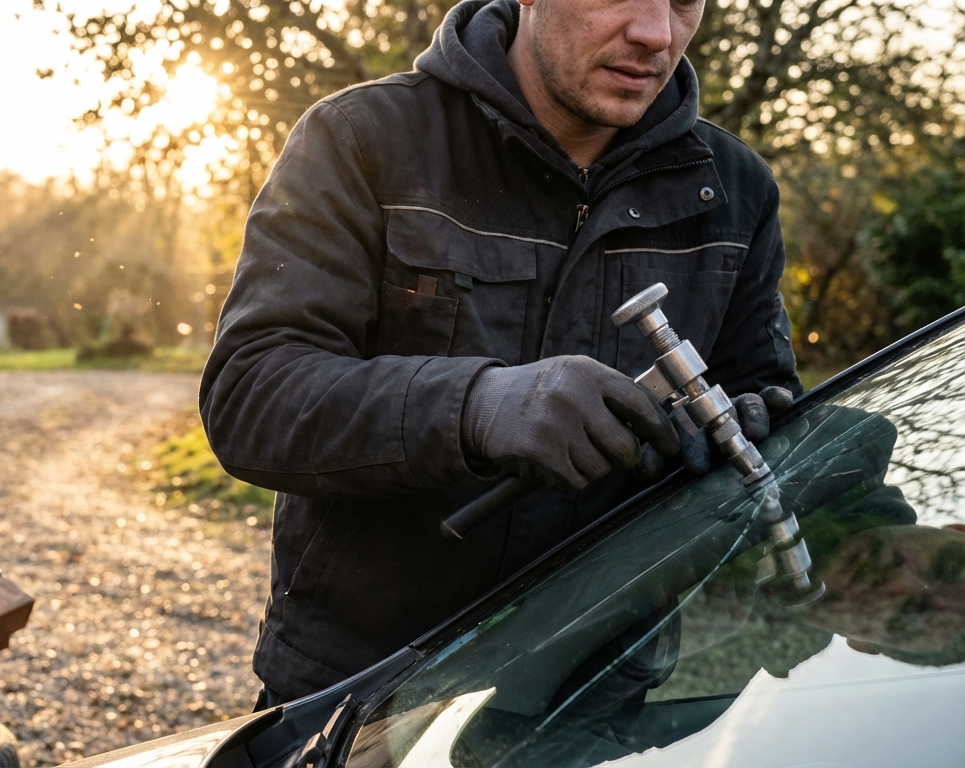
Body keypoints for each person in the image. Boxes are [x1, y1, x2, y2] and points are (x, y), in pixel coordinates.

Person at [199, 0, 803, 707]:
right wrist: (477, 407)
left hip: (593, 702)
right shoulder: (361, 139)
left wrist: (752, 447)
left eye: (684, 2)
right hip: (361, 694)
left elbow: (771, 419)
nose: (655, 33)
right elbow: (251, 394)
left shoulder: (735, 190)